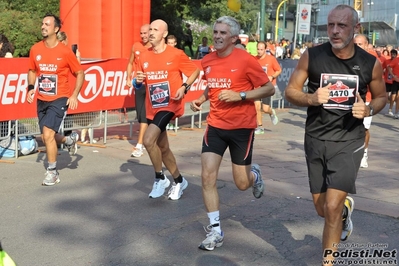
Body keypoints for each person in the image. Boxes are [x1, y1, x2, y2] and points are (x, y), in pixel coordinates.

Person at [284, 5, 386, 265]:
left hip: (349, 140)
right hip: (316, 138)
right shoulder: (312, 56)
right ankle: (344, 214)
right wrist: (311, 97)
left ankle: (328, 262)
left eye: (341, 26)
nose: (335, 31)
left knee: (331, 207)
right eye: (331, 25)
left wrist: (369, 108)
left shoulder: (369, 63)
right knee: (322, 209)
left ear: (356, 29)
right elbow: (290, 92)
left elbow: (382, 96)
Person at [190, 16, 275, 251]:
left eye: (223, 33)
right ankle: (215, 231)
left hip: (241, 128)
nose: (217, 36)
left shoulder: (246, 61)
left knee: (241, 183)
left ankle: (254, 175)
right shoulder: (207, 60)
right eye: (215, 32)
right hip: (215, 126)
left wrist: (241, 96)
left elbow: (269, 88)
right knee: (207, 177)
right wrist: (200, 98)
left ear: (234, 38)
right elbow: (212, 84)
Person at [134, 19, 200, 200]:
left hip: (170, 104)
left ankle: (159, 178)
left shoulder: (176, 54)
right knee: (163, 148)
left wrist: (184, 87)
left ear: (164, 34)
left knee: (148, 140)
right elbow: (138, 83)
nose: (151, 32)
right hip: (152, 107)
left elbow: (195, 71)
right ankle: (179, 180)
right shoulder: (143, 56)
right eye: (150, 29)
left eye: (155, 30)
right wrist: (138, 81)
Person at [26, 14, 84, 186]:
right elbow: (32, 70)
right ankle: (69, 140)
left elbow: (80, 73)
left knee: (48, 135)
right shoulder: (35, 49)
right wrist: (30, 88)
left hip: (60, 98)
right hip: (42, 99)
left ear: (56, 29)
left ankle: (52, 172)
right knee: (46, 137)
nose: (43, 26)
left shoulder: (65, 52)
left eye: (47, 24)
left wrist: (74, 95)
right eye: (42, 23)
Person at [354, 34, 382, 168]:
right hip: (350, 99)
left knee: (364, 128)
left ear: (367, 45)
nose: (357, 47)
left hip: (367, 100)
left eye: (360, 44)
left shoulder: (373, 61)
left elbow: (379, 89)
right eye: (355, 44)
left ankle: (364, 153)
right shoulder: (347, 58)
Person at [126, 24, 151, 158]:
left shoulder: (154, 48)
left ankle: (140, 145)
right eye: (141, 33)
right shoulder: (136, 46)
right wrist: (128, 77)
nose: (143, 36)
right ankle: (150, 141)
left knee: (145, 116)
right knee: (141, 115)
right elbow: (130, 63)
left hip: (151, 85)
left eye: (145, 33)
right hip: (139, 84)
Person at [254, 41, 281, 134]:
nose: (259, 51)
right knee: (257, 107)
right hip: (257, 86)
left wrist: (272, 76)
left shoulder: (271, 59)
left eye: (261, 49)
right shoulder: (254, 59)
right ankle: (260, 127)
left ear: (265, 49)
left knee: (265, 109)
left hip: (266, 86)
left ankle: (271, 112)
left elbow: (279, 70)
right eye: (258, 49)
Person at [385, 49, 398, 115]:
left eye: (394, 54)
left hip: (395, 80)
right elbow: (387, 67)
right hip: (391, 80)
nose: (392, 55)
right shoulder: (390, 60)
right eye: (392, 54)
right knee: (391, 96)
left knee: (397, 96)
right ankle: (389, 110)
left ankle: (396, 111)